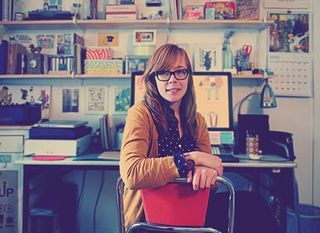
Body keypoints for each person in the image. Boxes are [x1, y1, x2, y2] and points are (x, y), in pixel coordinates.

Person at [120, 44, 280, 233]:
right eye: (164, 72)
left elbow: (211, 179)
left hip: (192, 210)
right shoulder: (140, 113)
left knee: (253, 205)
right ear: (154, 79)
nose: (173, 80)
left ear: (188, 76)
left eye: (180, 71)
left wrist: (209, 172)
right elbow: (131, 173)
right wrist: (191, 159)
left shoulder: (197, 120)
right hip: (152, 218)